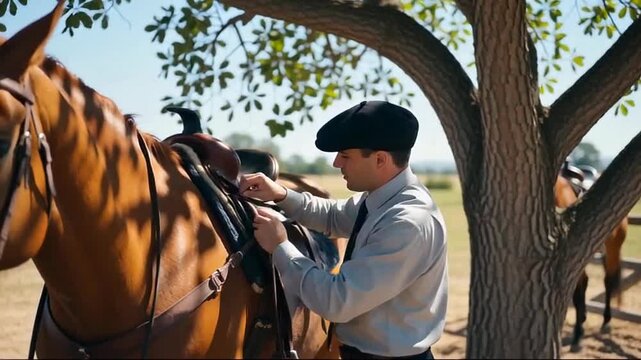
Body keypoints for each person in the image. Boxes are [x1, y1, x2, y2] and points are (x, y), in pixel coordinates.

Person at [240, 100, 448, 359]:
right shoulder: (385, 199)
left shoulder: (407, 223)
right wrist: (282, 195)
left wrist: (280, 247)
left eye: (346, 155)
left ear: (380, 159)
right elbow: (333, 217)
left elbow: (336, 301)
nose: (337, 163)